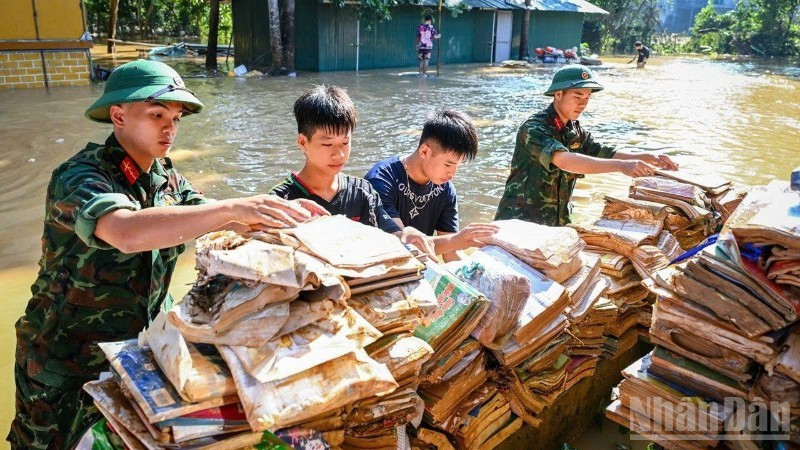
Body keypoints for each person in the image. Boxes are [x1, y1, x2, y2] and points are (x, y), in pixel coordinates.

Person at [7, 60, 327, 450]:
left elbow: (220, 223)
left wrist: (289, 221)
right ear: (118, 115)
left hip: (135, 354)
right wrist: (233, 208)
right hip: (64, 362)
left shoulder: (168, 180)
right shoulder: (79, 175)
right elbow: (125, 231)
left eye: (176, 118)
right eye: (158, 114)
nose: (170, 127)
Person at [494, 65, 678, 226]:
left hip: (556, 222)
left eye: (587, 98)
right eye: (577, 96)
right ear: (558, 94)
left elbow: (605, 153)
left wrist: (649, 158)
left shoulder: (574, 130)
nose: (583, 104)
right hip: (519, 222)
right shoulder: (534, 128)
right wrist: (621, 167)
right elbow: (564, 160)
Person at [270, 85, 436, 258]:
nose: (339, 154)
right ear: (303, 143)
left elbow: (390, 234)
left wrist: (404, 235)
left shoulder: (363, 193)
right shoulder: (281, 199)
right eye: (327, 144)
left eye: (345, 142)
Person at [365, 110, 497, 261]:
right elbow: (402, 244)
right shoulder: (382, 179)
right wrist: (457, 240)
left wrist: (474, 274)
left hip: (415, 266)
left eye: (458, 166)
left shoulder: (446, 189)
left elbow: (450, 253)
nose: (452, 174)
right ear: (425, 151)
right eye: (448, 164)